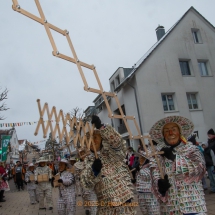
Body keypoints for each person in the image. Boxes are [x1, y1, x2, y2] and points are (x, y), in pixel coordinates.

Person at [149, 116, 207, 215]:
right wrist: (160, 184)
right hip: (170, 208)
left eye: (174, 130)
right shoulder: (158, 155)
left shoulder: (191, 149)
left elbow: (200, 169)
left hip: (193, 206)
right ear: (163, 135)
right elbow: (154, 175)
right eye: (167, 131)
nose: (171, 133)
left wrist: (174, 158)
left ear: (179, 132)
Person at [80, 115, 135, 215]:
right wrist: (94, 171)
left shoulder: (112, 153)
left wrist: (101, 127)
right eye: (89, 139)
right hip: (106, 207)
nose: (93, 141)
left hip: (125, 203)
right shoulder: (88, 161)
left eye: (95, 137)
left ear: (101, 139)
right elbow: (86, 183)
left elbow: (117, 144)